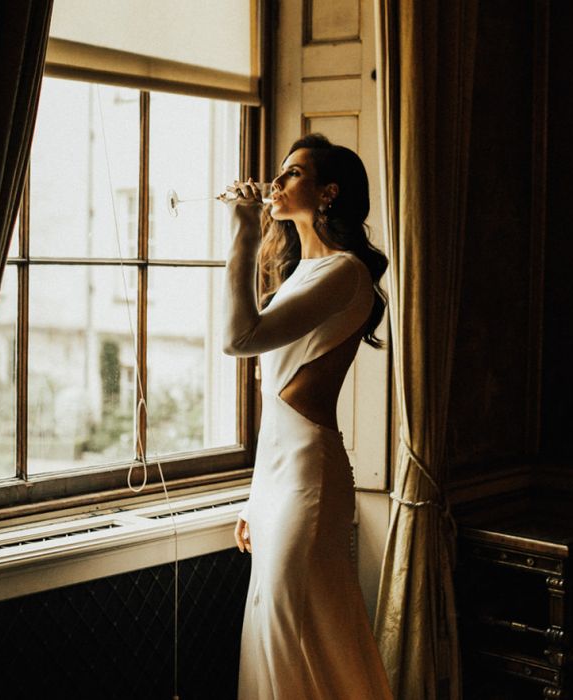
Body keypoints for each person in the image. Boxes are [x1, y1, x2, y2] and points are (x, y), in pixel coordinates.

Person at [221, 133, 393, 699]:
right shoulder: (299, 275)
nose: (275, 182)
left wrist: (245, 231)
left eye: (292, 173)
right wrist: (253, 496)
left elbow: (239, 338)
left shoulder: (346, 274)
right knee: (283, 628)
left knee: (292, 629)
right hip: (278, 477)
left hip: (309, 480)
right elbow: (274, 401)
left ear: (327, 193)